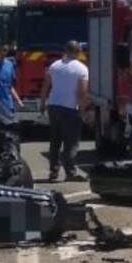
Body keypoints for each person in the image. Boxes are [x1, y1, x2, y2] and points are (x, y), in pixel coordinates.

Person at [40, 39, 90, 182]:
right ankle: (71, 172)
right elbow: (82, 92)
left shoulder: (54, 66)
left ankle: (54, 172)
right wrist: (82, 110)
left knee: (55, 140)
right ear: (78, 52)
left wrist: (43, 103)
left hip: (54, 106)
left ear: (65, 51)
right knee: (71, 142)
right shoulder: (81, 69)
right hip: (70, 108)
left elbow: (46, 86)